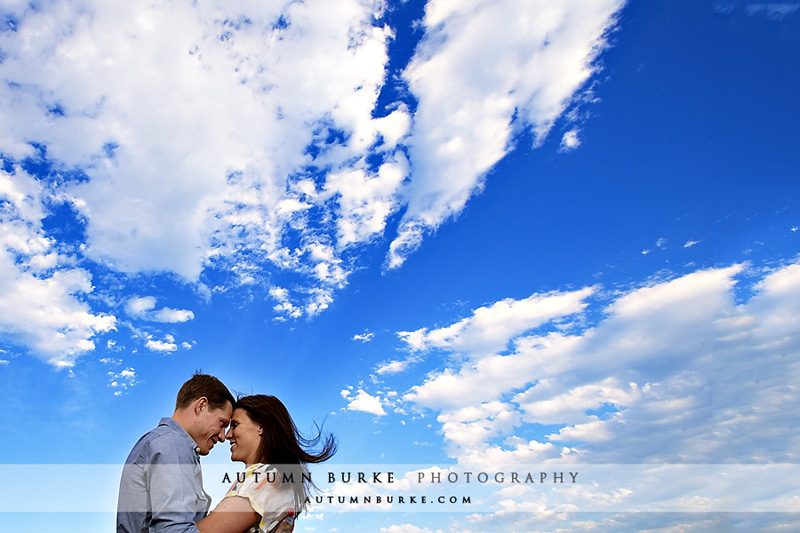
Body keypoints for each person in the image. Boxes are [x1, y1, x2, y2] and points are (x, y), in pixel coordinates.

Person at [196, 395, 337, 533]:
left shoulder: (266, 478)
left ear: (261, 427)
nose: (227, 435)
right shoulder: (278, 478)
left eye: (235, 425)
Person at [117, 372, 236, 533]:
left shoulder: (161, 442)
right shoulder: (172, 445)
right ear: (201, 406)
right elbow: (174, 529)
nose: (223, 436)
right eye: (222, 423)